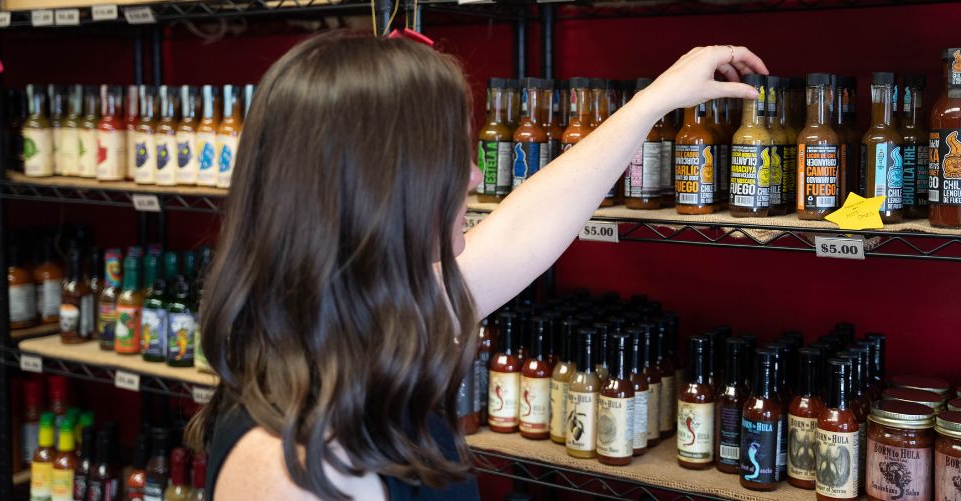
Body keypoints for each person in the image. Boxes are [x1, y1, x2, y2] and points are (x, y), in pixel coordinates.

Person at [192, 31, 765, 499]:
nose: (471, 177)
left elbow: (524, 228)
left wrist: (653, 101)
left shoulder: (359, 324)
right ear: (378, 186)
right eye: (448, 157)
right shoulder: (287, 471)